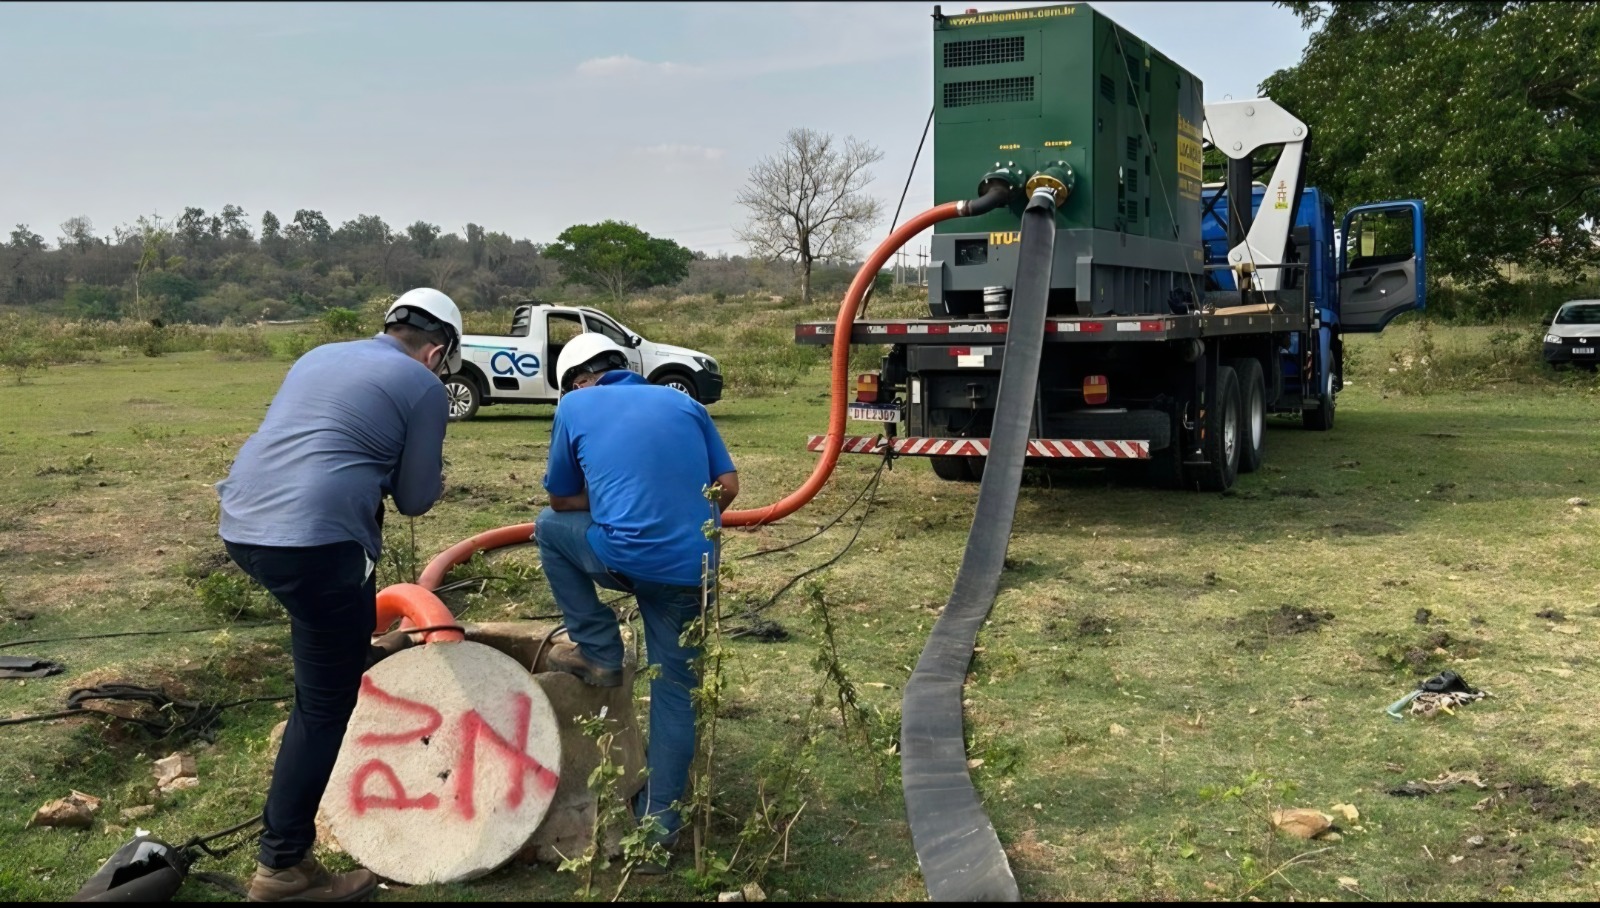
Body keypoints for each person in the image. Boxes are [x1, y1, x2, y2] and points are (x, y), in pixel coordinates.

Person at [215, 288, 462, 902]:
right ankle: (283, 868)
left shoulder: (319, 353)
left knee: (334, 620)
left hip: (243, 526)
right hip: (317, 543)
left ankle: (352, 649)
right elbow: (414, 499)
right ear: (436, 352)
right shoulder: (425, 385)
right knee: (324, 704)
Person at [536, 333, 739, 869]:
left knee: (549, 528)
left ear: (577, 380)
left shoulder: (577, 405)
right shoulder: (684, 401)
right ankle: (659, 830)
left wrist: (610, 497)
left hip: (623, 557)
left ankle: (599, 648)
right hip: (692, 569)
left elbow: (560, 498)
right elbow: (728, 484)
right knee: (675, 692)